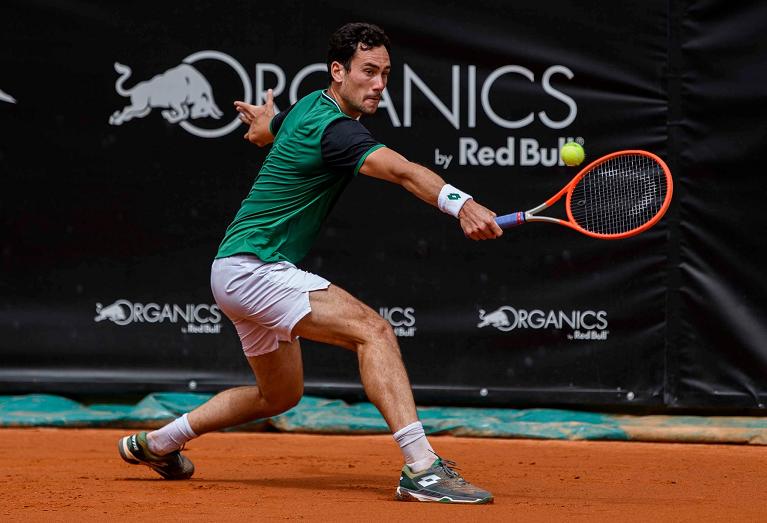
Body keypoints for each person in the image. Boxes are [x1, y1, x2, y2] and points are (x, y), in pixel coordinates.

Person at [118, 22, 502, 504]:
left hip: (233, 269)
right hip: (255, 267)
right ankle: (423, 469)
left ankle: (157, 444)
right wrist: (462, 204)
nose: (379, 84)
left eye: (385, 73)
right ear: (338, 71)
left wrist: (264, 124)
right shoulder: (336, 130)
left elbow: (268, 132)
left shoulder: (308, 105)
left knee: (278, 396)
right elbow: (403, 172)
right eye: (368, 71)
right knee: (374, 332)